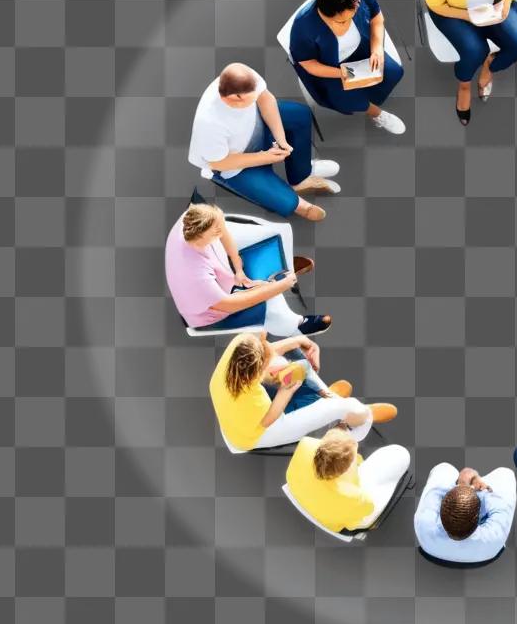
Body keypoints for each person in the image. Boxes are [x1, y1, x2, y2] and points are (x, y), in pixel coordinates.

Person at [188, 62, 340, 222]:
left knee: (299, 115)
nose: (256, 99)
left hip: (258, 125)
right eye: (251, 99)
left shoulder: (244, 76)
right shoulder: (209, 123)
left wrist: (281, 140)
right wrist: (266, 157)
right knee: (286, 202)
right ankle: (300, 205)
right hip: (235, 165)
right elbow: (219, 163)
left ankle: (300, 177)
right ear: (235, 98)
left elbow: (266, 99)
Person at [208, 331, 397, 452]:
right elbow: (269, 418)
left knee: (286, 364)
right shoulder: (250, 397)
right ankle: (353, 420)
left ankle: (324, 399)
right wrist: (286, 391)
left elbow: (265, 352)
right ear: (254, 375)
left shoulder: (240, 346)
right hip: (254, 434)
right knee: (347, 407)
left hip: (239, 416)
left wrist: (296, 341)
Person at [165, 203, 331, 336]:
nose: (220, 230)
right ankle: (295, 326)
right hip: (212, 315)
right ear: (201, 236)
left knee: (269, 232)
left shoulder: (196, 216)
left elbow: (223, 230)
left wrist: (238, 268)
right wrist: (280, 286)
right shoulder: (194, 276)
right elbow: (230, 305)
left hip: (219, 276)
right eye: (216, 231)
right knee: (271, 301)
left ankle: (281, 264)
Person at [288, 0, 406, 135]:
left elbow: (376, 18)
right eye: (342, 22)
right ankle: (376, 113)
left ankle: (373, 94)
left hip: (363, 47)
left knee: (394, 72)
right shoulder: (303, 27)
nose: (349, 24)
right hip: (331, 66)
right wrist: (344, 73)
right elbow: (308, 63)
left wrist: (377, 48)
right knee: (348, 100)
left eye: (352, 16)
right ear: (324, 15)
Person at [285, 427, 411, 534]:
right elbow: (360, 517)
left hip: (299, 490)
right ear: (346, 469)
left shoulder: (306, 443)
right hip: (334, 518)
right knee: (400, 454)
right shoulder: (354, 496)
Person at [413, 463, 517, 564]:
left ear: (441, 512)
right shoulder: (494, 537)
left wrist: (461, 485)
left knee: (445, 468)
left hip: (432, 549)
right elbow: (501, 498)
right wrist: (478, 491)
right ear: (479, 516)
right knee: (504, 472)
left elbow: (435, 491)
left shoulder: (424, 526)